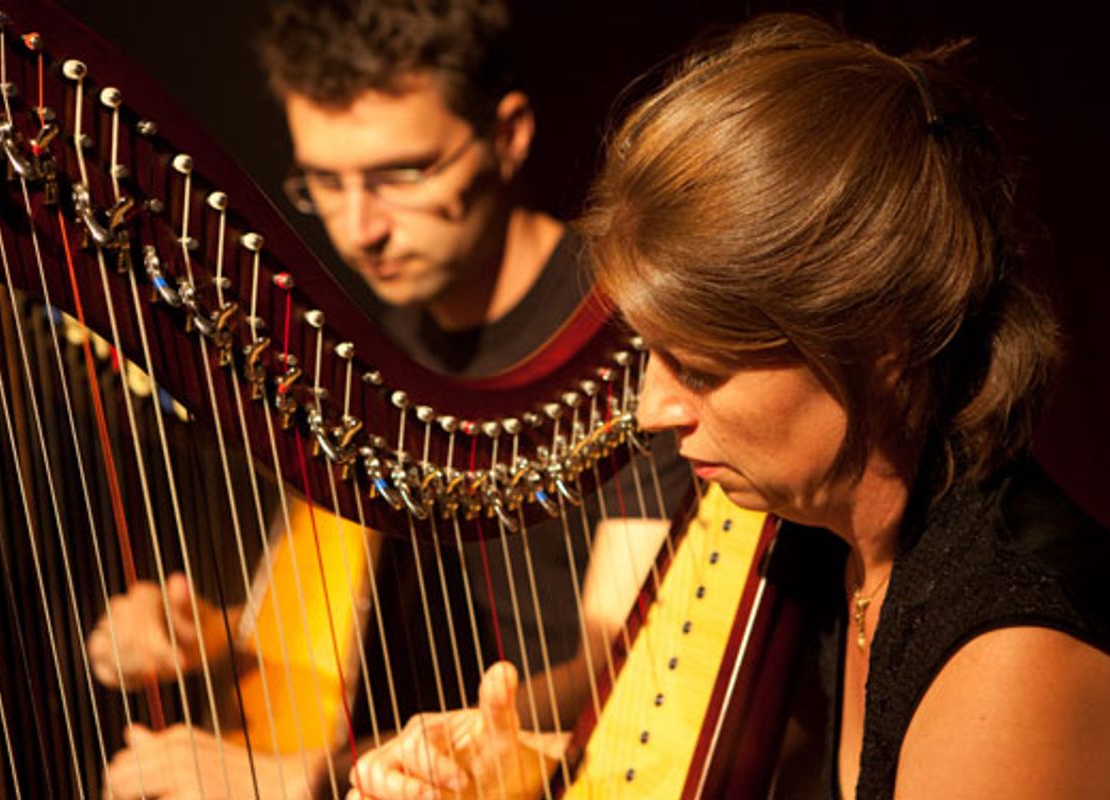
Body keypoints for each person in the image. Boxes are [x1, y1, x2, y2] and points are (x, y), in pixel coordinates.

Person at [344, 13, 1110, 799]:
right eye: (649, 357)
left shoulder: (1022, 658)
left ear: (879, 345)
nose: (652, 410)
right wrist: (529, 768)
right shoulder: (825, 546)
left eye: (699, 370)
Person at [87, 1, 683, 797]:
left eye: (400, 174)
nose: (360, 228)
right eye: (326, 183)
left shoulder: (627, 333)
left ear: (508, 136)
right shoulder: (380, 346)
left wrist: (306, 776)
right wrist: (213, 636)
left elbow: (616, 665)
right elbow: (350, 602)